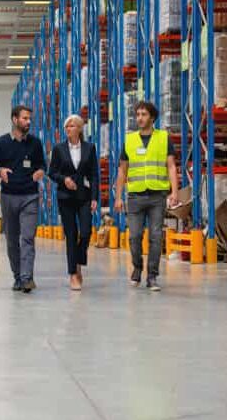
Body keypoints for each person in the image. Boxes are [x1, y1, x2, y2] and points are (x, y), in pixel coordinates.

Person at [113, 101, 179, 291]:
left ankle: (152, 276)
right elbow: (122, 171)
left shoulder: (163, 138)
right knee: (134, 236)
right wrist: (118, 197)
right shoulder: (130, 140)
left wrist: (174, 192)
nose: (139, 118)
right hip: (135, 196)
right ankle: (137, 268)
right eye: (138, 114)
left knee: (156, 237)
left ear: (152, 117)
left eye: (144, 114)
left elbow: (171, 166)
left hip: (157, 195)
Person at [0, 105, 46, 293]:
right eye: (25, 118)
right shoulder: (1, 142)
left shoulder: (35, 143)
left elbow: (42, 164)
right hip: (8, 197)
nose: (28, 122)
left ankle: (27, 278)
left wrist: (40, 171)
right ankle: (18, 277)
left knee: (27, 238)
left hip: (30, 196)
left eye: (29, 119)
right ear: (14, 119)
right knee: (12, 240)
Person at [48, 114, 99, 291]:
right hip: (66, 197)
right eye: (66, 127)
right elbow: (52, 172)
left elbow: (94, 174)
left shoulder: (89, 148)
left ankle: (78, 261)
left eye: (72, 126)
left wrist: (94, 197)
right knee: (71, 234)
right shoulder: (59, 149)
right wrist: (64, 180)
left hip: (84, 196)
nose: (68, 129)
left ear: (80, 128)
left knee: (85, 232)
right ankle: (73, 274)